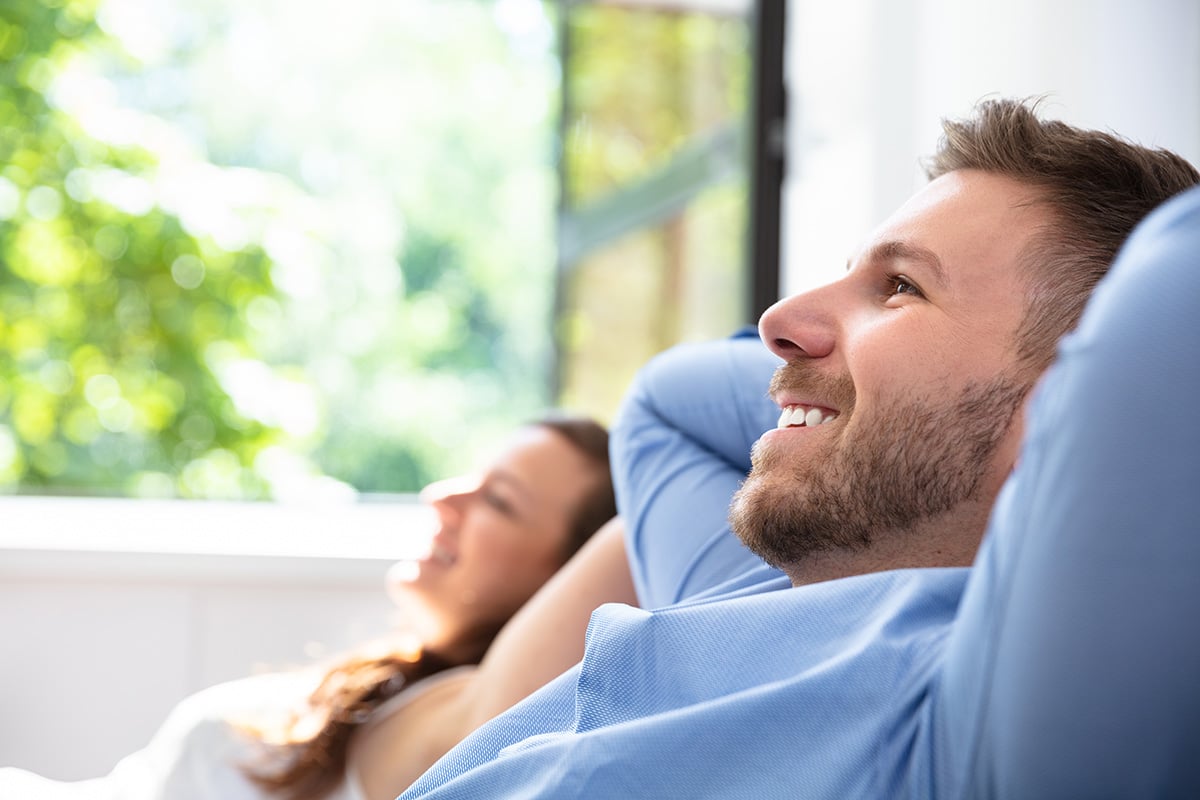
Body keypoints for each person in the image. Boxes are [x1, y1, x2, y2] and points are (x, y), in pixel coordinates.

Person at [397, 98, 1200, 797]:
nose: (777, 318)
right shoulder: (756, 587)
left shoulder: (982, 723)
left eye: (901, 287)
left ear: (1069, 410)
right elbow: (664, 404)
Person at [0, 415, 629, 800]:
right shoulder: (391, 688)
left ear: (563, 581)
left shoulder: (455, 720)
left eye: (498, 501)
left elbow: (628, 539)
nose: (442, 497)